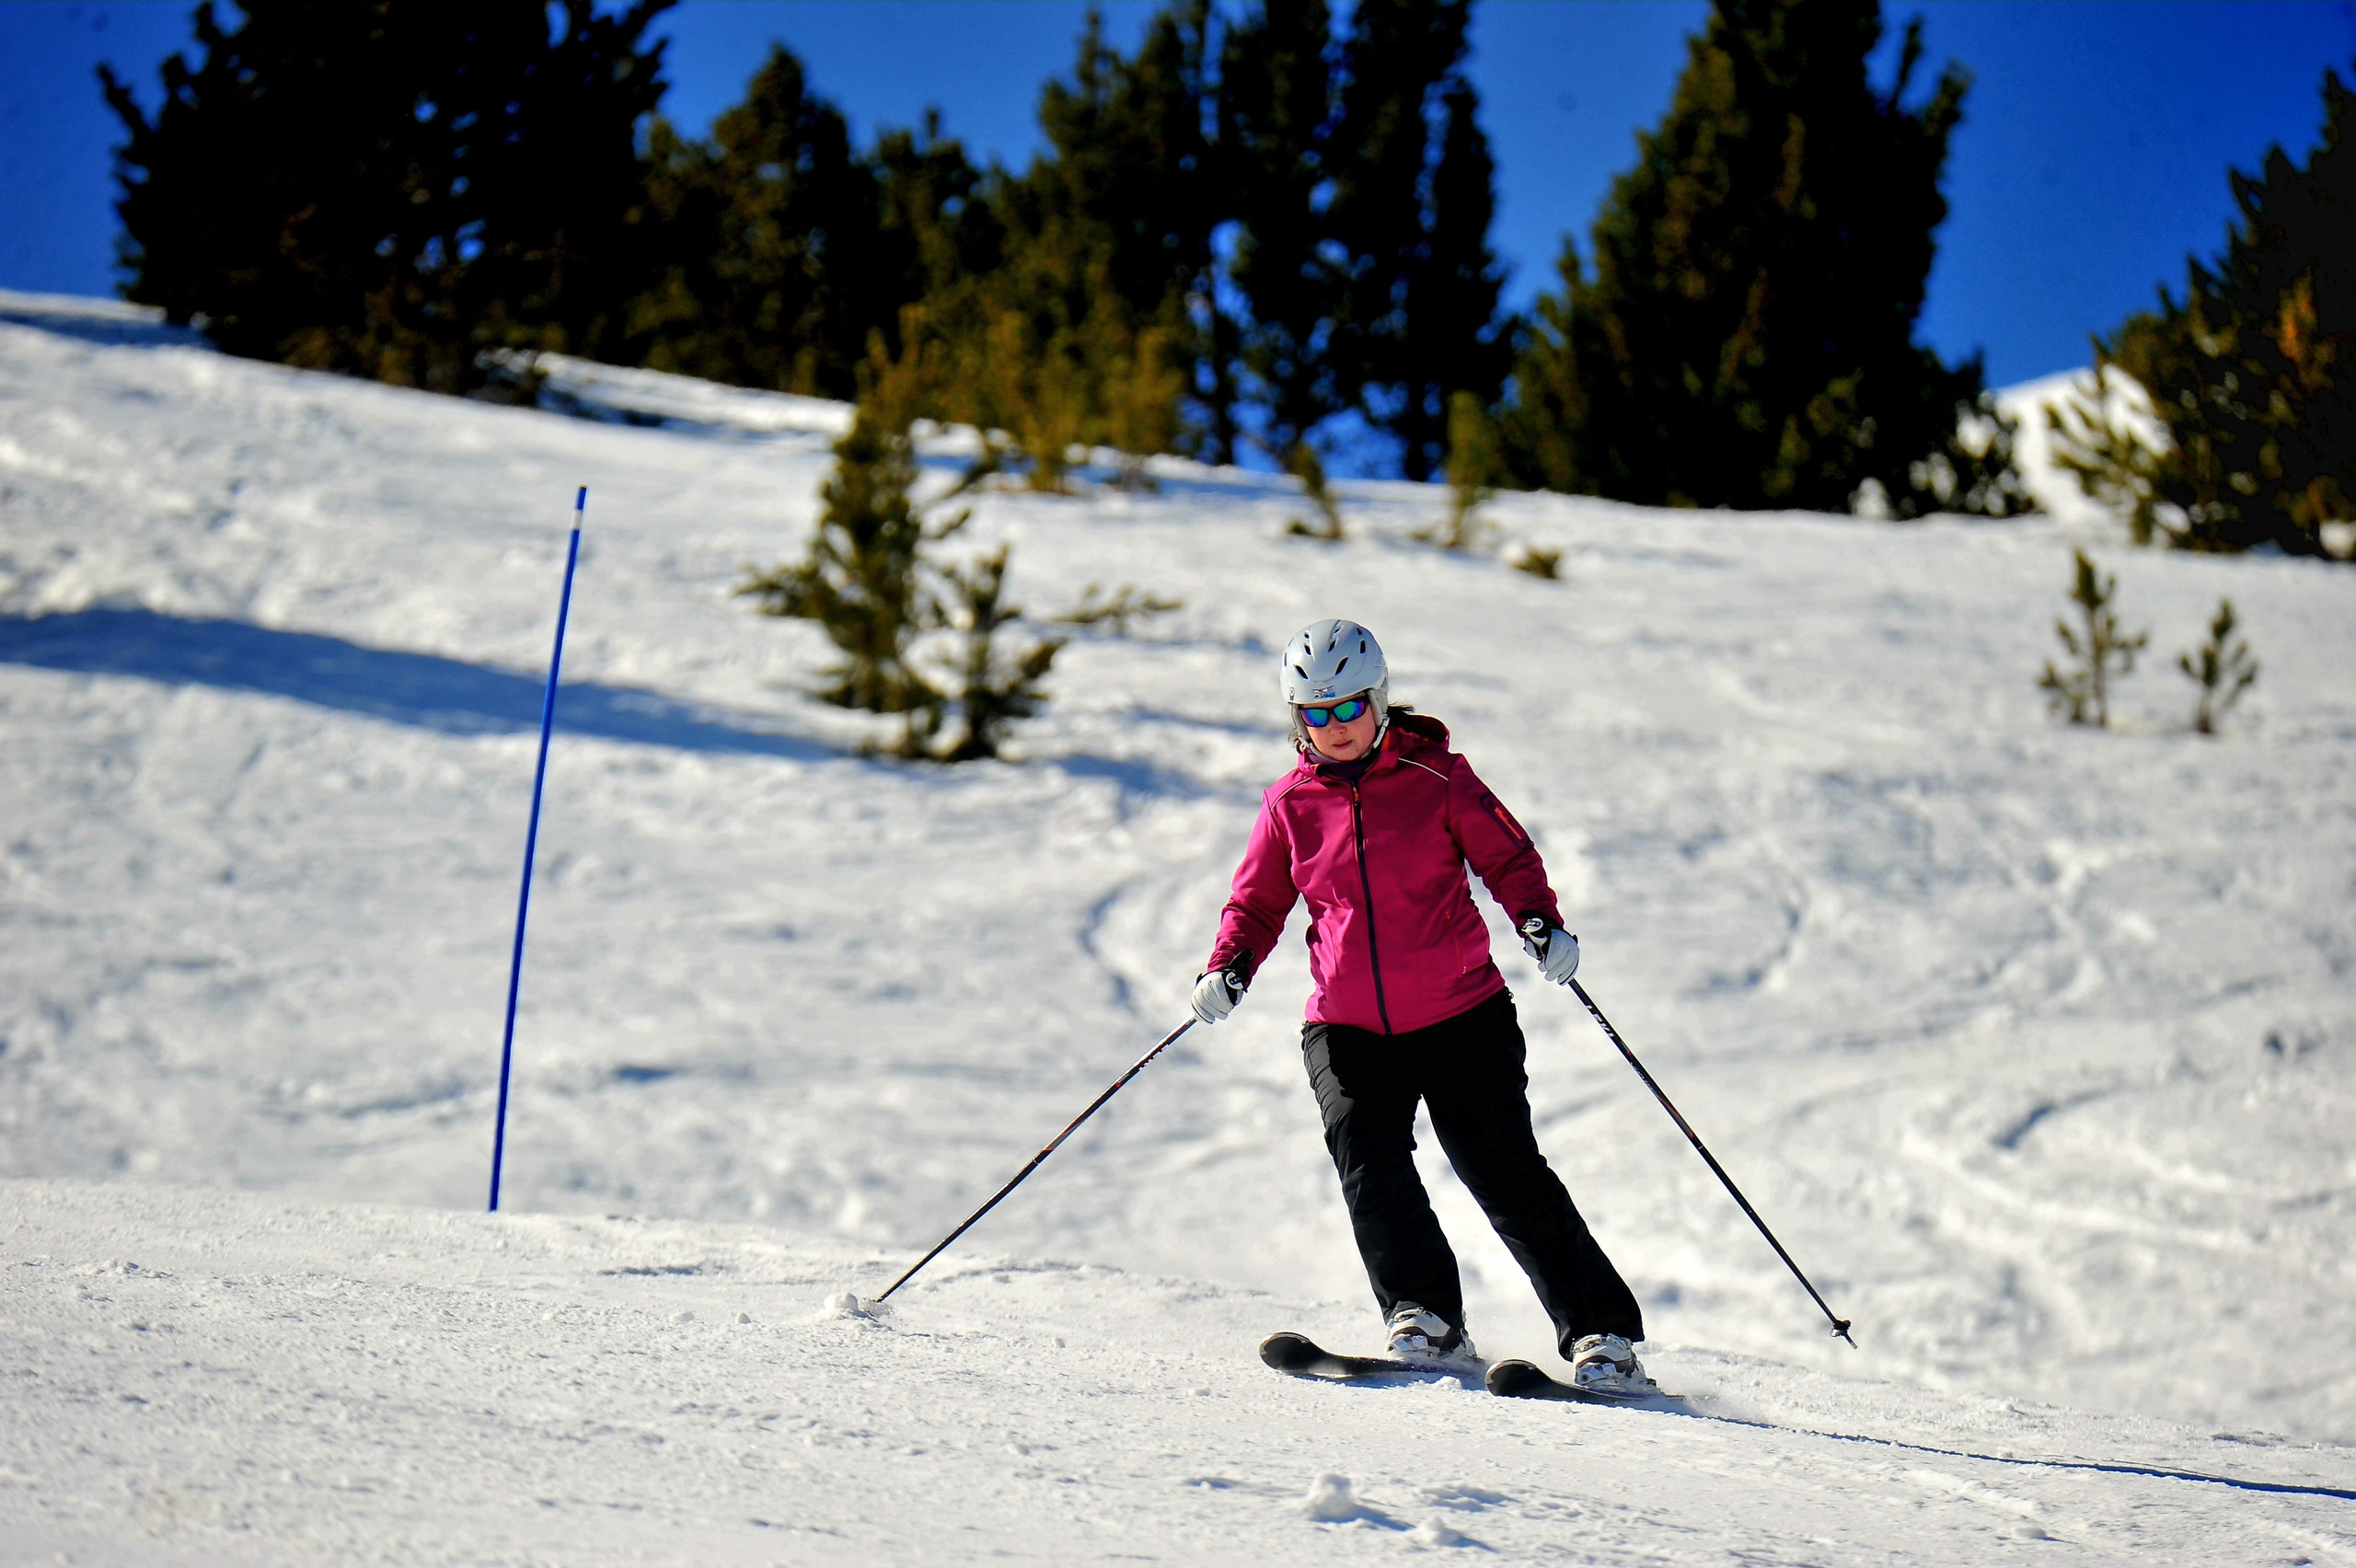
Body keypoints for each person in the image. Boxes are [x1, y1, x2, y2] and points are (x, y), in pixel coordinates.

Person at [1189, 618, 1651, 1390]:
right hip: (1345, 1025)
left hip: (1460, 1011)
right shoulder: (1288, 806)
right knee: (1367, 1161)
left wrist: (1538, 922)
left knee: (1501, 1169)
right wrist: (1229, 967)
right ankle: (1426, 1317)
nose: (1334, 728)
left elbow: (1507, 855)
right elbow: (1256, 904)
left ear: (1378, 701)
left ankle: (1602, 1336)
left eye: (1348, 709)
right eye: (1315, 713)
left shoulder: (1441, 777)